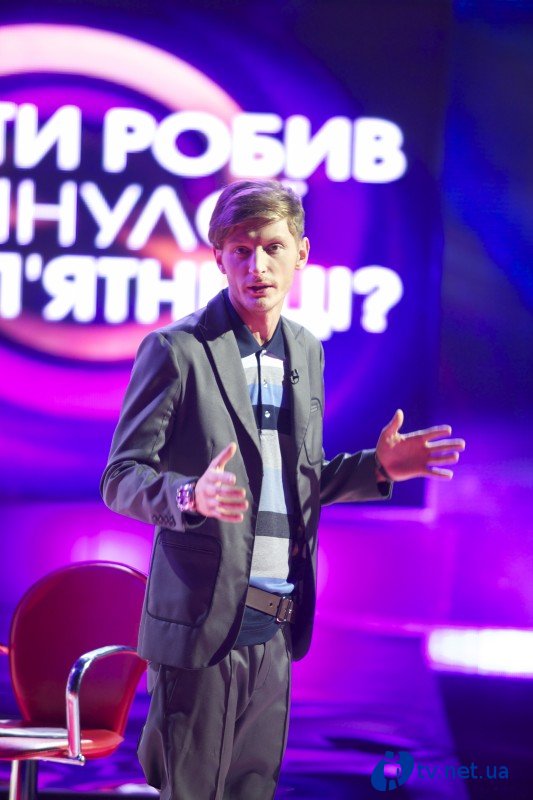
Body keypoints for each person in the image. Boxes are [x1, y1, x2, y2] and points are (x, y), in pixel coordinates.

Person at [100, 179, 465, 800]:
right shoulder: (177, 350)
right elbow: (121, 478)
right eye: (240, 251)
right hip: (202, 623)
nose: (257, 266)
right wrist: (189, 497)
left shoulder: (305, 350)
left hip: (276, 622)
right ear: (218, 259)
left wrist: (378, 469)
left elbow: (298, 482)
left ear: (301, 253)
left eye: (272, 247)